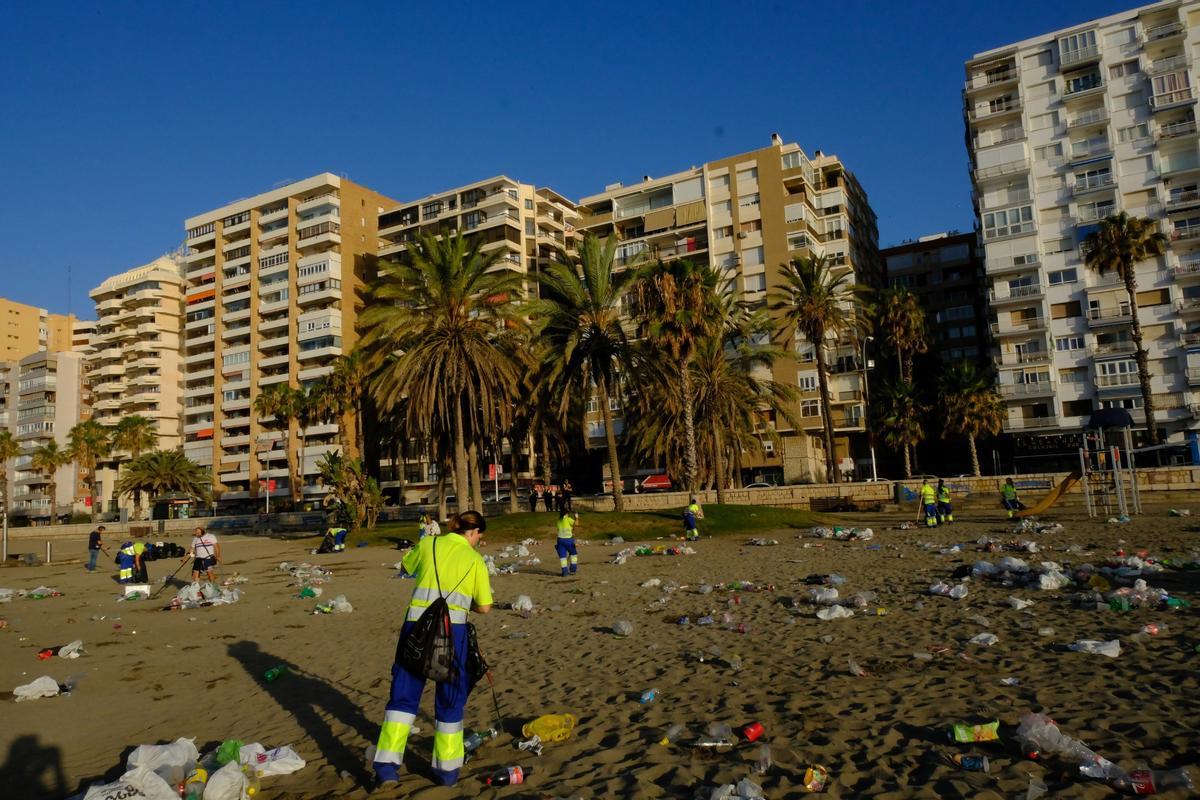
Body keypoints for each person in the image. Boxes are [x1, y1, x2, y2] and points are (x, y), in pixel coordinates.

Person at [373, 510, 493, 788]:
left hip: (416, 627)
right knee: (450, 701)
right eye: (479, 537)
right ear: (473, 533)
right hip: (455, 633)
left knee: (403, 698)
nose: (478, 542)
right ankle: (447, 772)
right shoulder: (475, 560)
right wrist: (466, 605)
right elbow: (485, 607)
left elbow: (406, 568)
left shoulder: (429, 544)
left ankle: (387, 768)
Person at [555, 509, 580, 576]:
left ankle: (564, 572)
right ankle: (573, 570)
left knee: (562, 557)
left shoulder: (558, 521)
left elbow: (561, 529)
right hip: (568, 540)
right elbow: (576, 524)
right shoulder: (568, 519)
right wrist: (576, 517)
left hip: (560, 540)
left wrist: (571, 531)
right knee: (573, 554)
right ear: (566, 514)